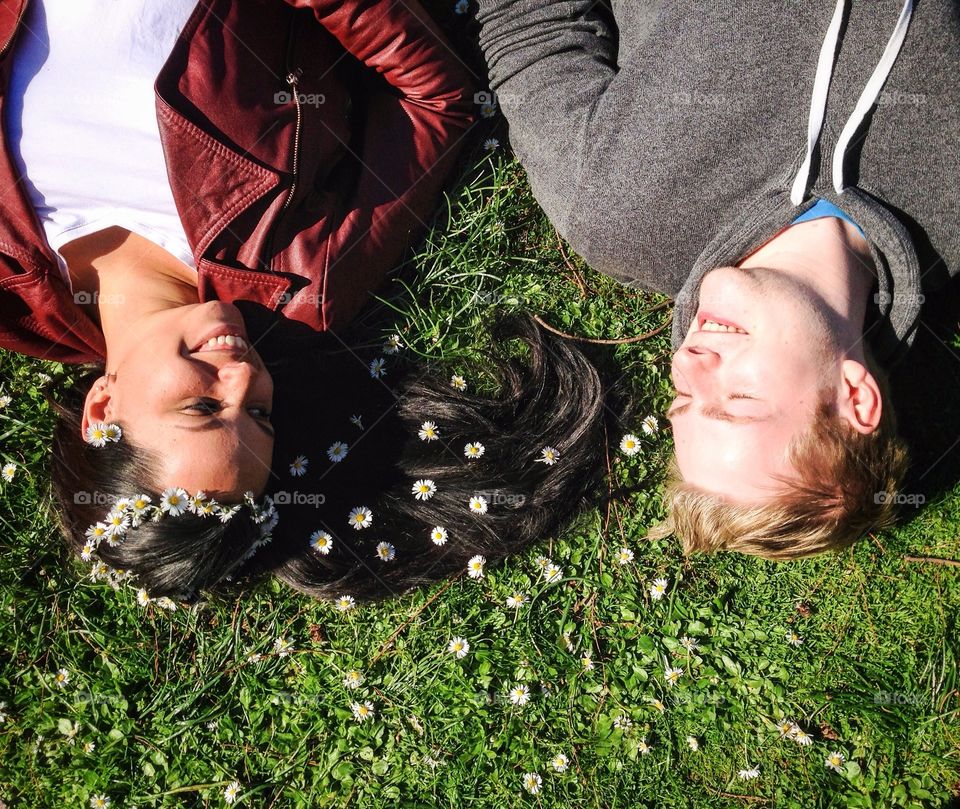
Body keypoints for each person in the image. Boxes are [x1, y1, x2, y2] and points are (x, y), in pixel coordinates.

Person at [0, 0, 618, 601]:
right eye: (261, 417)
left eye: (201, 406)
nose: (243, 377)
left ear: (102, 409)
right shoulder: (303, 277)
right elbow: (438, 105)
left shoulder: (11, 295)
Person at [473, 0, 959, 558]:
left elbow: (529, 23)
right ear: (854, 395)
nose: (688, 362)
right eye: (737, 400)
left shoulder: (614, 211)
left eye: (682, 397)